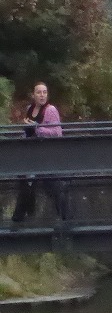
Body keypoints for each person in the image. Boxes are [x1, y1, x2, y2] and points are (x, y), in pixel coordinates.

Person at [11, 83, 69, 223]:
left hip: (46, 155)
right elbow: (27, 132)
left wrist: (37, 128)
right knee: (25, 185)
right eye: (39, 92)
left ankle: (66, 219)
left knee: (53, 187)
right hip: (30, 155)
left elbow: (57, 132)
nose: (42, 95)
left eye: (44, 92)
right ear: (33, 95)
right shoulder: (29, 109)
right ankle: (17, 220)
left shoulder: (50, 110)